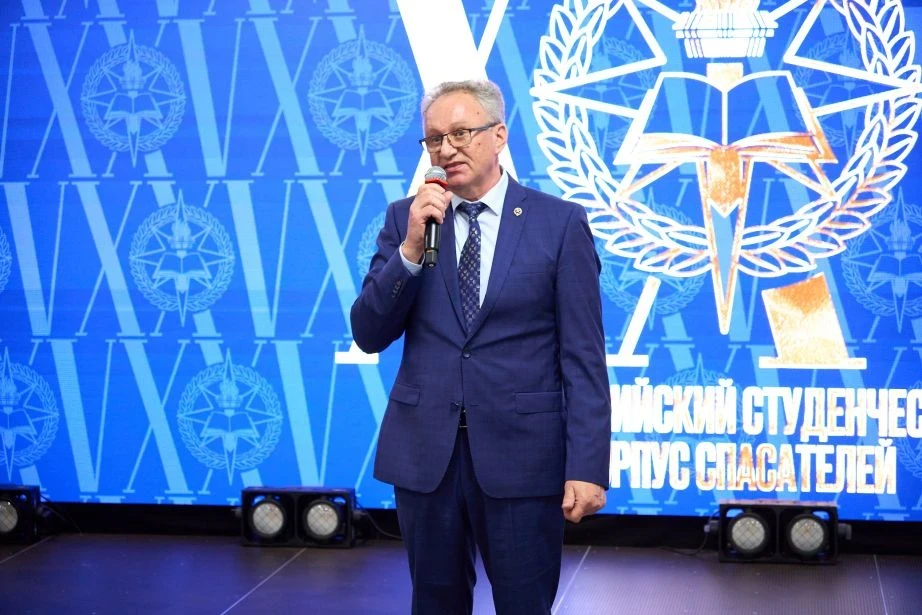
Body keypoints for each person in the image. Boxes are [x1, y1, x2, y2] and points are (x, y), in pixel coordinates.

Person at [350, 79, 611, 615]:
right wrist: (410, 251)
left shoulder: (559, 223)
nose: (446, 149)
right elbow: (368, 332)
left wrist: (587, 464)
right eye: (434, 139)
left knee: (524, 605)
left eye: (460, 133)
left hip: (523, 458)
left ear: (499, 135)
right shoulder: (407, 219)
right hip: (426, 457)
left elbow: (583, 357)